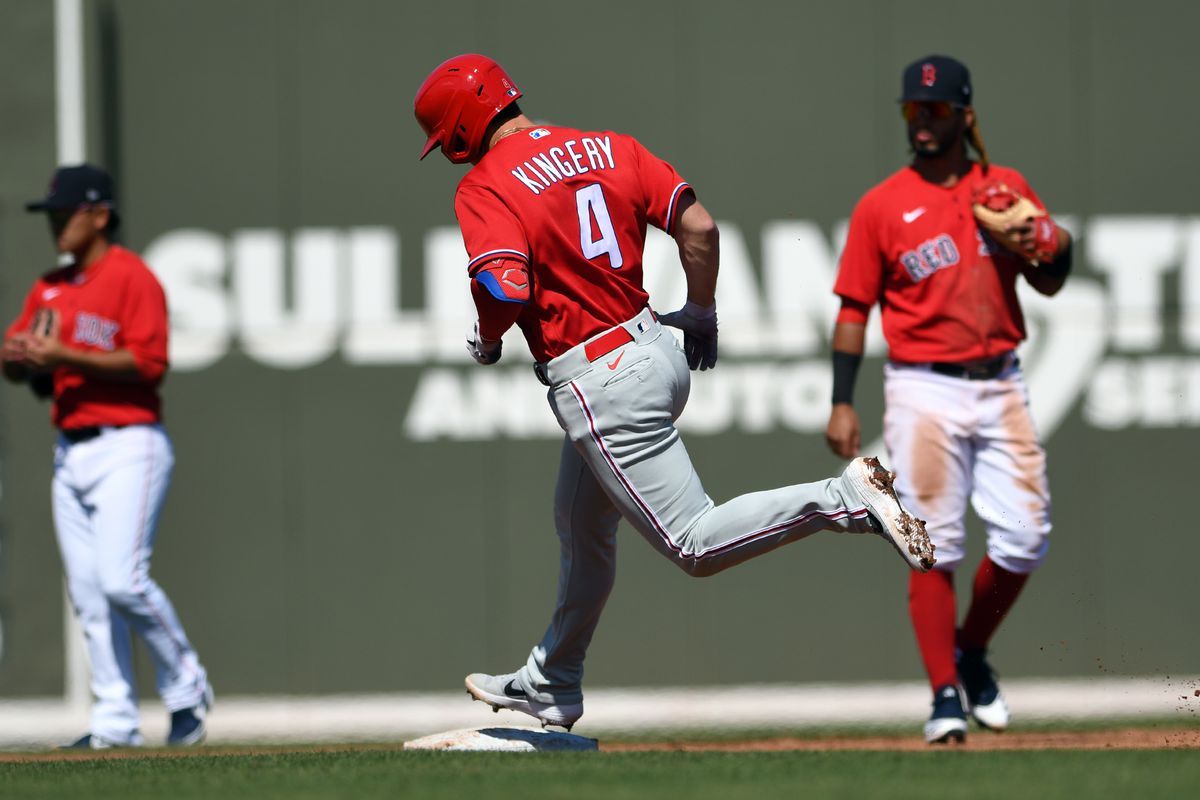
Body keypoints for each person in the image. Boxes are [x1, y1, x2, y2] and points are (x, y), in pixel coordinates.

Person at [414, 53, 936, 731]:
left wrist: (486, 341)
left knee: (693, 543)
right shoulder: (608, 145)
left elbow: (505, 287)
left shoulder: (487, 184)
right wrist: (701, 310)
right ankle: (552, 682)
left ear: (459, 125)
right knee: (580, 525)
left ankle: (844, 499)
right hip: (655, 344)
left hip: (600, 379)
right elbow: (700, 227)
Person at [825, 55, 1072, 744]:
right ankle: (943, 697)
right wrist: (842, 401)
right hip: (922, 385)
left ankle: (967, 651)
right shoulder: (882, 203)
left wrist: (1049, 243)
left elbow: (1052, 276)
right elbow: (853, 311)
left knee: (1026, 537)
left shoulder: (1004, 187)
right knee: (931, 543)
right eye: (913, 110)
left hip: (1000, 379)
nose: (922, 121)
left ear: (965, 116)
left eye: (935, 110)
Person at [2, 164, 213, 748]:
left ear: (99, 214)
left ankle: (188, 684)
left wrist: (64, 354)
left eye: (64, 214)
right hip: (71, 449)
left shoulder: (132, 277)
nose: (56, 226)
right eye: (51, 216)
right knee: (90, 594)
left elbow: (149, 363)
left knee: (123, 580)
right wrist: (21, 355)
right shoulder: (49, 286)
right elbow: (14, 359)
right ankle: (115, 721)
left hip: (129, 442)